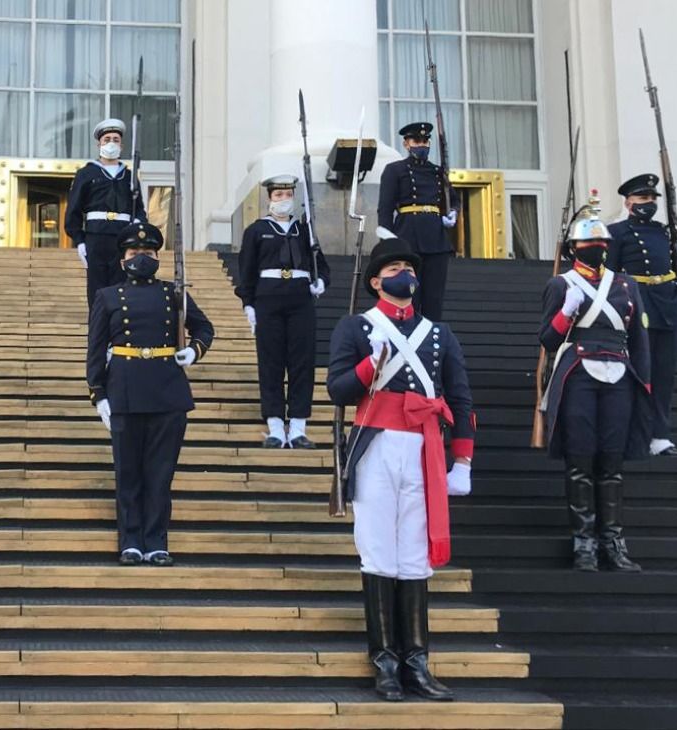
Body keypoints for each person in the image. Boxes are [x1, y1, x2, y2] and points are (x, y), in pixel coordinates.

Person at [326, 233, 474, 702]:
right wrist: (371, 365)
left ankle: (417, 660)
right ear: (375, 281)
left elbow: (460, 395)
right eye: (393, 270)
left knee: (413, 553)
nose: (404, 276)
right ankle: (385, 662)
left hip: (423, 447)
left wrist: (463, 458)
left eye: (408, 269)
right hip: (375, 446)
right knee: (377, 550)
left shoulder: (438, 333)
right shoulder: (356, 327)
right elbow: (338, 390)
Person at [86, 222, 214, 567]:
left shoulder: (174, 291)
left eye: (147, 253)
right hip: (124, 389)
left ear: (158, 257)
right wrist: (98, 394)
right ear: (123, 259)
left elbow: (203, 326)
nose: (141, 258)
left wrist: (195, 351)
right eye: (134, 253)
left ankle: (156, 541)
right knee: (128, 472)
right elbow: (95, 349)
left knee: (160, 473)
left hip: (166, 389)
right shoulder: (108, 296)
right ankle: (130, 541)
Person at [541, 208, 651, 572]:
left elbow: (639, 340)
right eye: (589, 242)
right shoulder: (562, 285)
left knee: (612, 463)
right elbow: (549, 339)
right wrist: (565, 313)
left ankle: (614, 543)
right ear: (574, 248)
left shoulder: (625, 285)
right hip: (578, 371)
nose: (596, 247)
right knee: (581, 461)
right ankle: (584, 544)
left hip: (619, 372)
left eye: (601, 243)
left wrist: (644, 384)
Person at [234, 174, 332, 448]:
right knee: (271, 363)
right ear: (269, 199)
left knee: (302, 363)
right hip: (269, 298)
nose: (283, 200)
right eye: (278, 195)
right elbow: (247, 270)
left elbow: (320, 265)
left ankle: (298, 426)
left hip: (300, 299)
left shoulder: (305, 230)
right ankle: (276, 425)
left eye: (288, 194)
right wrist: (249, 304)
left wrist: (320, 281)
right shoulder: (257, 230)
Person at [606, 173, 677, 456]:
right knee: (637, 374)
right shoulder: (617, 233)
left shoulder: (664, 231)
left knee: (664, 375)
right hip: (636, 305)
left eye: (652, 198)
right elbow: (610, 274)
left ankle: (660, 436)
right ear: (629, 202)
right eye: (643, 198)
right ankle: (634, 434)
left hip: (667, 307)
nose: (649, 203)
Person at [375, 122, 458, 321]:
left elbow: (453, 200)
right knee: (408, 295)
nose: (421, 145)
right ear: (406, 144)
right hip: (408, 237)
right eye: (417, 141)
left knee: (434, 299)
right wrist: (388, 245)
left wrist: (453, 212)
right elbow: (385, 209)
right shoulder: (395, 170)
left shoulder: (438, 171)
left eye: (425, 141)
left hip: (436, 239)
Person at [65, 118, 147, 307]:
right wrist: (79, 240)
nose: (111, 143)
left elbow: (140, 208)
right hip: (96, 237)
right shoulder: (87, 174)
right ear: (99, 144)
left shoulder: (128, 176)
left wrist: (137, 224)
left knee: (122, 286)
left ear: (122, 144)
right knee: (97, 289)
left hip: (122, 237)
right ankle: (98, 332)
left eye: (116, 139)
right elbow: (74, 210)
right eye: (107, 139)